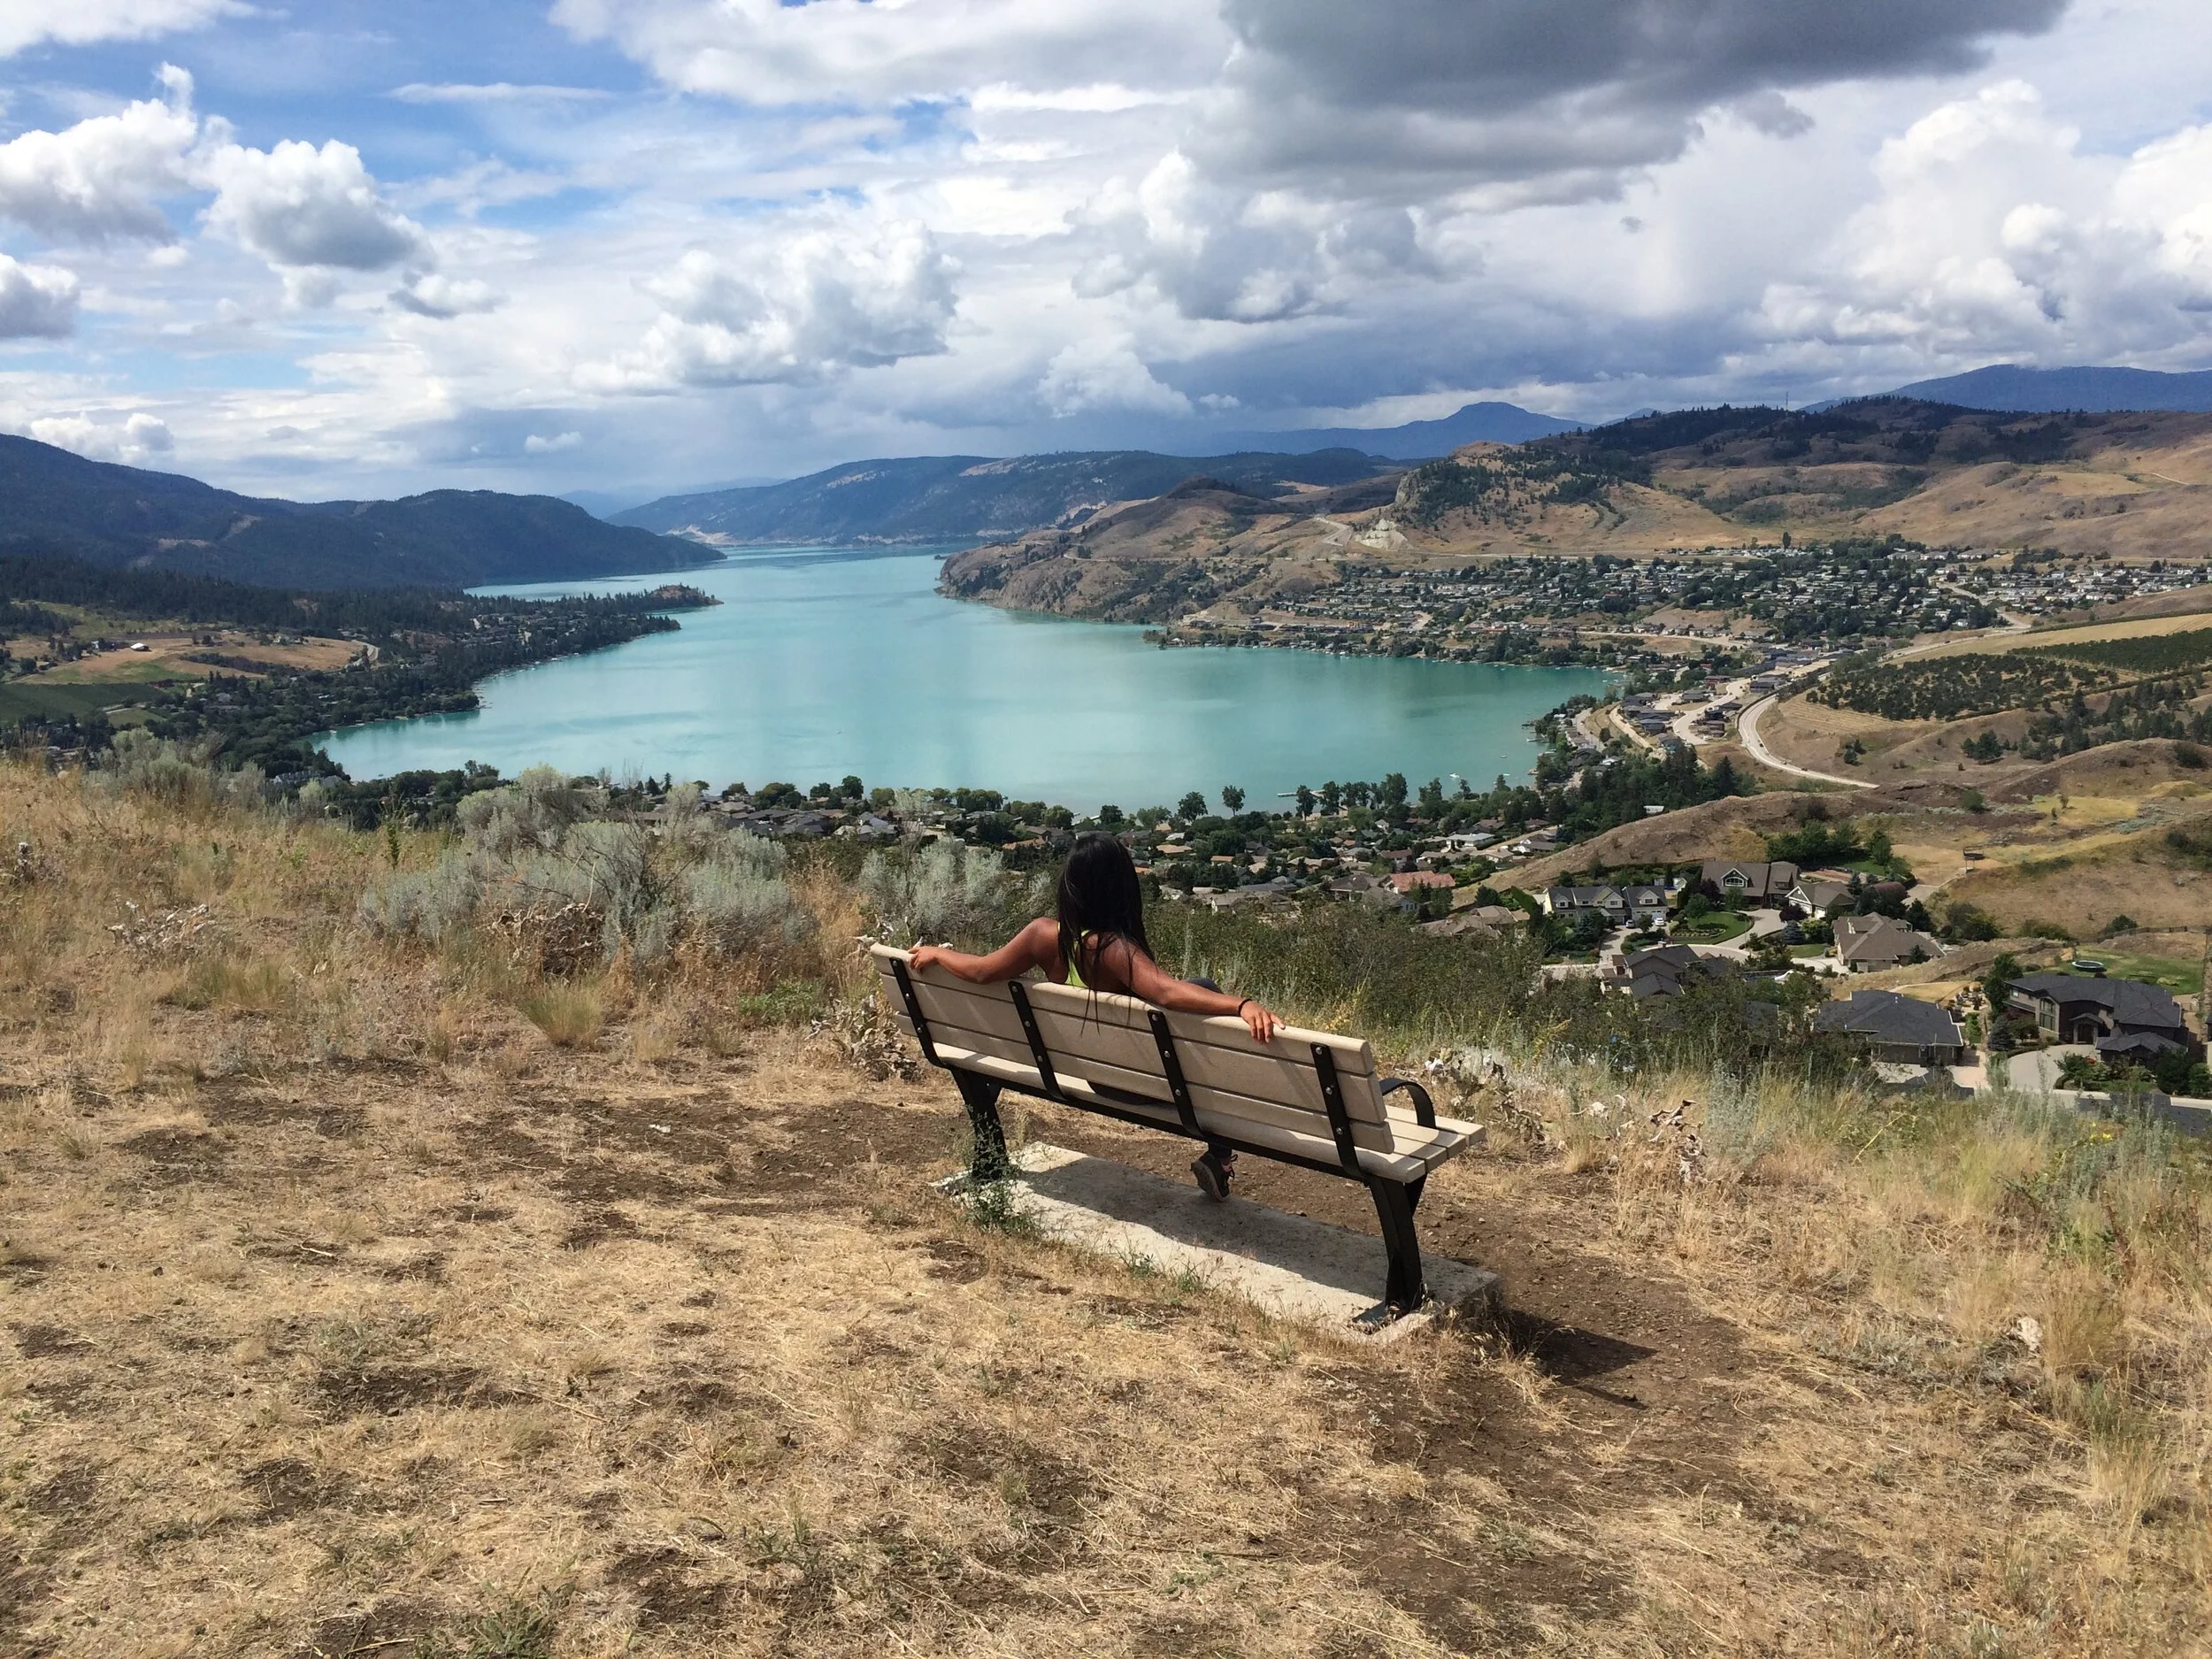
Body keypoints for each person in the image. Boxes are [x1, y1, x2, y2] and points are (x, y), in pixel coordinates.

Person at [908, 833, 1279, 1200]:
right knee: (1204, 987)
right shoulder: (1112, 948)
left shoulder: (1041, 936)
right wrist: (1241, 1005)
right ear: (1119, 889)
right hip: (1143, 1082)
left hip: (1096, 1074)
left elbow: (981, 971)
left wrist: (938, 955)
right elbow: (1166, 991)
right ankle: (1220, 1154)